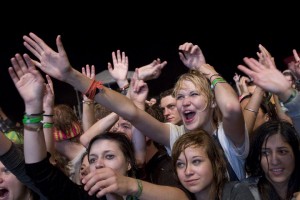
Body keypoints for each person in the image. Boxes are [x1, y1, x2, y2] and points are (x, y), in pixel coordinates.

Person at [22, 33, 248, 181]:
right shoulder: (177, 136)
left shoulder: (228, 138)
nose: (184, 101)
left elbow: (231, 108)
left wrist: (203, 67)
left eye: (194, 94)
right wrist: (72, 76)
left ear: (212, 101)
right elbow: (129, 111)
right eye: (180, 97)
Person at [8, 53, 190, 199]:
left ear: (129, 163)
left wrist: (128, 185)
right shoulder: (83, 196)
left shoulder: (152, 178)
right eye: (92, 159)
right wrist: (33, 106)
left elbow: (181, 197)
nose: (98, 165)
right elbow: (39, 170)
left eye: (109, 156)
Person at [172, 130, 255, 200]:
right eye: (180, 164)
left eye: (196, 161)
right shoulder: (179, 196)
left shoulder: (236, 193)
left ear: (216, 162)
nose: (188, 172)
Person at [243, 120, 300, 200]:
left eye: (282, 152)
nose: (274, 161)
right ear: (258, 157)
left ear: (296, 154)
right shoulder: (244, 192)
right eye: (265, 153)